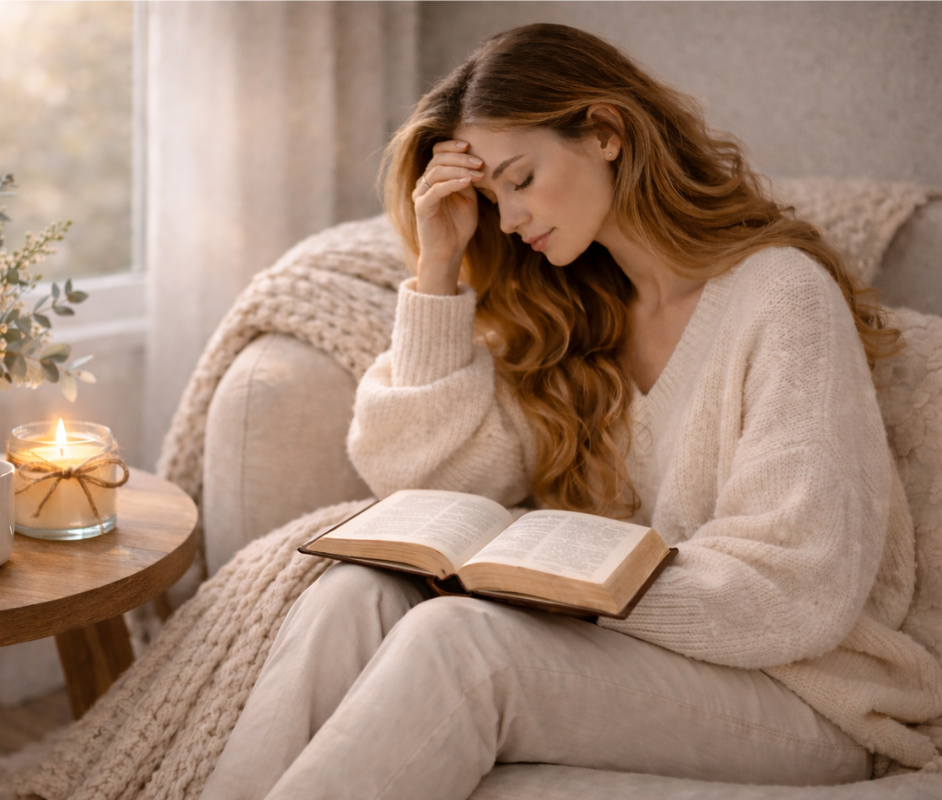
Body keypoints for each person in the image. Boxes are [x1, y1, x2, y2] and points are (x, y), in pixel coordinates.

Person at [200, 23, 942, 800]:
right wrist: (439, 269)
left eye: (520, 178)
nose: (510, 219)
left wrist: (573, 586)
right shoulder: (585, 310)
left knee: (464, 644)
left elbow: (797, 591)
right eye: (491, 197)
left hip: (806, 696)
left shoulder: (781, 296)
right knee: (358, 594)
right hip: (646, 659)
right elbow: (428, 476)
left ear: (605, 132)